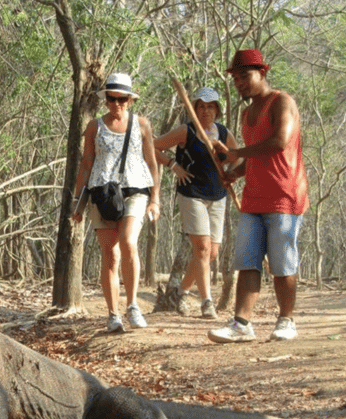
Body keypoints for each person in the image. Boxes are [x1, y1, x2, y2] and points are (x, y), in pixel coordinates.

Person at [207, 49, 309, 344]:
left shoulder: (282, 101)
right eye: (236, 78)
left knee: (282, 263)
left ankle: (286, 320)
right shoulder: (246, 112)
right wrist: (235, 172)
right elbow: (253, 157)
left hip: (284, 195)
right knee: (247, 260)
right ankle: (241, 324)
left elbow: (278, 142)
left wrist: (235, 153)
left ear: (262, 72)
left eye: (245, 76)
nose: (240, 83)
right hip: (253, 197)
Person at [72, 73, 161, 333]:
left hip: (135, 191)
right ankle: (113, 315)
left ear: (130, 100)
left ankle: (133, 305)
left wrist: (155, 198)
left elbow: (152, 163)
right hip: (102, 194)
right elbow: (86, 163)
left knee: (128, 242)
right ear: (106, 99)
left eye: (122, 98)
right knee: (110, 255)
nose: (117, 103)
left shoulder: (142, 125)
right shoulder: (94, 127)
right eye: (112, 98)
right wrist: (77, 202)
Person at [154, 86, 239, 319]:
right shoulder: (186, 131)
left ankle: (180, 293)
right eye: (200, 106)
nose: (205, 111)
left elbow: (236, 156)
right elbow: (153, 146)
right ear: (194, 109)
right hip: (192, 193)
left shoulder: (223, 133)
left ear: (217, 110)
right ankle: (207, 303)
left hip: (218, 196)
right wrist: (173, 166)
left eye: (210, 107)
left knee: (211, 252)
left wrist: (230, 173)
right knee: (201, 248)